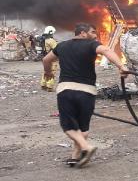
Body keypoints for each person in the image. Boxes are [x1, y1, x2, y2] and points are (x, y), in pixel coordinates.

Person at [42, 23, 127, 168]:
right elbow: (106, 50)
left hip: (66, 90)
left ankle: (85, 148)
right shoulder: (92, 45)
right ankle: (75, 157)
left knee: (68, 125)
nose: (95, 35)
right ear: (82, 33)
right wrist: (121, 66)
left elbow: (46, 60)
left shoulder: (62, 46)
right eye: (93, 32)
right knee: (83, 128)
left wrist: (48, 72)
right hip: (87, 91)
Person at [40, 26, 58, 91]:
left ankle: (43, 84)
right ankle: (49, 86)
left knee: (46, 71)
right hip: (52, 58)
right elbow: (56, 49)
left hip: (46, 57)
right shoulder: (51, 41)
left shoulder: (44, 39)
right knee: (52, 71)